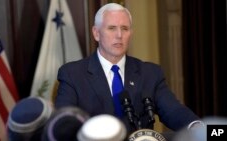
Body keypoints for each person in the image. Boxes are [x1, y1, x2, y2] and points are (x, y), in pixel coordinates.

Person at [55, 2, 201, 136]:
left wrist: (199, 128)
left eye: (124, 28)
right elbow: (63, 124)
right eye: (112, 28)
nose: (119, 35)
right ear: (96, 33)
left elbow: (174, 111)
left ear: (130, 33)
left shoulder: (150, 73)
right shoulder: (72, 74)